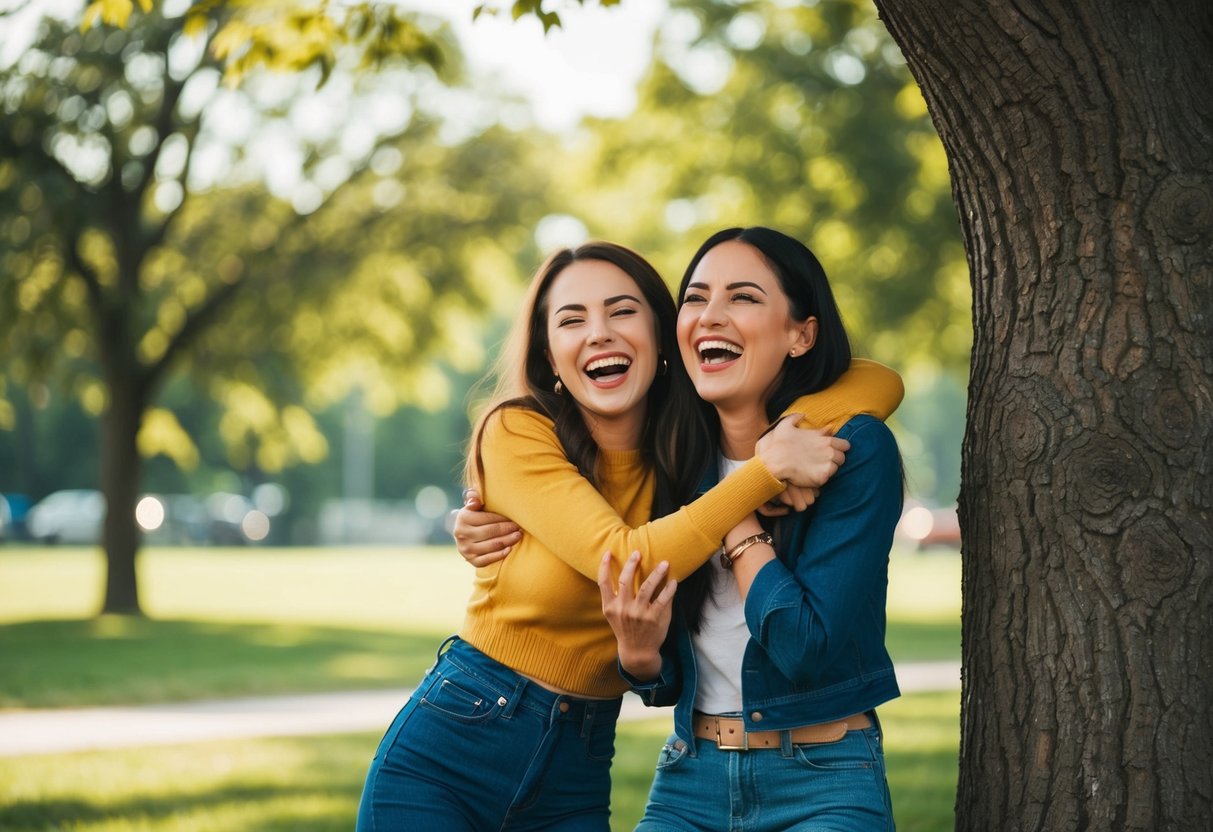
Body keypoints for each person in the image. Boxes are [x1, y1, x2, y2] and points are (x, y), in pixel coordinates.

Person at [358, 240, 902, 831]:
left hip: (580, 758)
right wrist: (762, 476)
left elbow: (879, 380)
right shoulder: (520, 430)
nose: (599, 334)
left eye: (621, 312)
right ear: (550, 350)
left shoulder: (682, 450)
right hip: (457, 735)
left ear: (663, 337)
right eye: (572, 320)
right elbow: (624, 558)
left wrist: (781, 446)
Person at [604, 227, 903, 830]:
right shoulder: (667, 454)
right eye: (695, 298)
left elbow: (803, 646)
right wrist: (638, 659)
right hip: (691, 775)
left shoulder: (853, 449)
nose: (710, 316)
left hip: (825, 779)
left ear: (801, 334)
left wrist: (736, 515)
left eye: (742, 297)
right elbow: (667, 675)